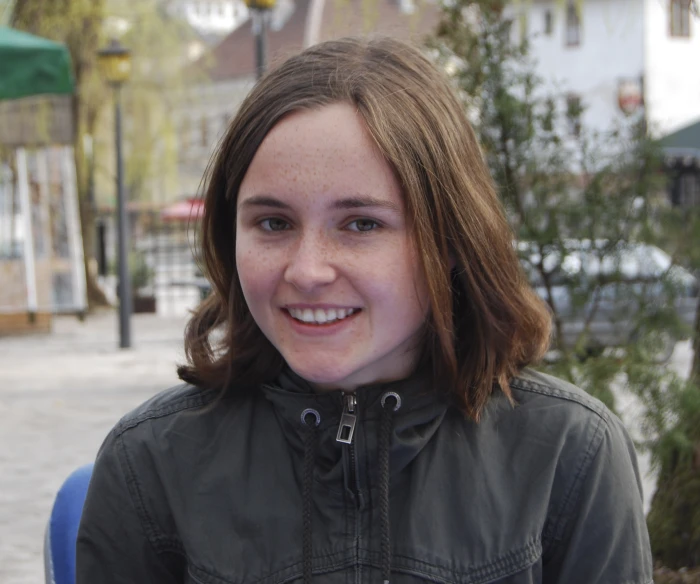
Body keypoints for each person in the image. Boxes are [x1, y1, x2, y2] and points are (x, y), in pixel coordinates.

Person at [76, 36, 653, 584]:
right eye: (273, 223)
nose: (306, 271)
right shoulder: (148, 463)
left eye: (361, 224)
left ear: (450, 238)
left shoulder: (570, 457)